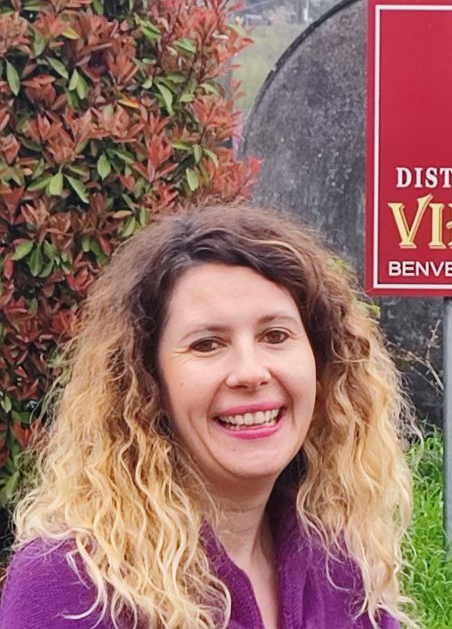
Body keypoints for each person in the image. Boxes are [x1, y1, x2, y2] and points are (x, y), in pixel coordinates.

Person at [0, 205, 414, 628]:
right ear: (147, 382)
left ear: (322, 365)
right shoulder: (74, 583)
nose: (251, 373)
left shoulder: (341, 569)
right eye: (207, 344)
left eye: (275, 335)